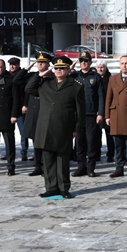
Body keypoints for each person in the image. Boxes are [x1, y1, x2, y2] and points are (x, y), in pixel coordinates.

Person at [25, 56, 85, 198]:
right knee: (48, 160)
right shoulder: (46, 84)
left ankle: (64, 188)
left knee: (62, 160)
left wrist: (77, 128)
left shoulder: (75, 86)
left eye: (62, 68)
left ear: (68, 70)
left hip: (64, 127)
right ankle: (51, 187)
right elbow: (28, 88)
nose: (59, 70)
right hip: (45, 127)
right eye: (56, 68)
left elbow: (80, 111)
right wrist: (40, 75)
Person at [71, 52, 106, 178]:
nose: (84, 63)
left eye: (86, 61)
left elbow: (101, 96)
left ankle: (91, 167)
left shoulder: (95, 77)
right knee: (79, 142)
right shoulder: (75, 76)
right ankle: (81, 167)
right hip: (78, 115)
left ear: (90, 62)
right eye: (81, 61)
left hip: (92, 115)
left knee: (91, 142)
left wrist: (100, 113)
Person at [22, 53, 52, 177]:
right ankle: (37, 165)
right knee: (36, 141)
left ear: (48, 64)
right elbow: (21, 84)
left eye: (42, 62)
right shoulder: (33, 76)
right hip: (34, 112)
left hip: (45, 112)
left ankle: (46, 166)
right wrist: (29, 68)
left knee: (46, 141)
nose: (40, 64)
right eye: (38, 62)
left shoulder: (52, 78)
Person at [8, 57, 30, 161]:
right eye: (11, 64)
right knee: (8, 132)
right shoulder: (7, 76)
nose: (12, 66)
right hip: (9, 108)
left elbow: (27, 92)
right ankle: (10, 151)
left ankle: (24, 152)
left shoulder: (24, 76)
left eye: (14, 64)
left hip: (20, 108)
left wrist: (25, 104)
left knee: (23, 131)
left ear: (18, 64)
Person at [95, 61, 114, 164]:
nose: (100, 69)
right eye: (98, 67)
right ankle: (96, 154)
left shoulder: (111, 79)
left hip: (108, 109)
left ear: (106, 68)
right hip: (96, 109)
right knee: (96, 134)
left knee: (109, 134)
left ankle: (110, 155)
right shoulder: (94, 78)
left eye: (102, 67)